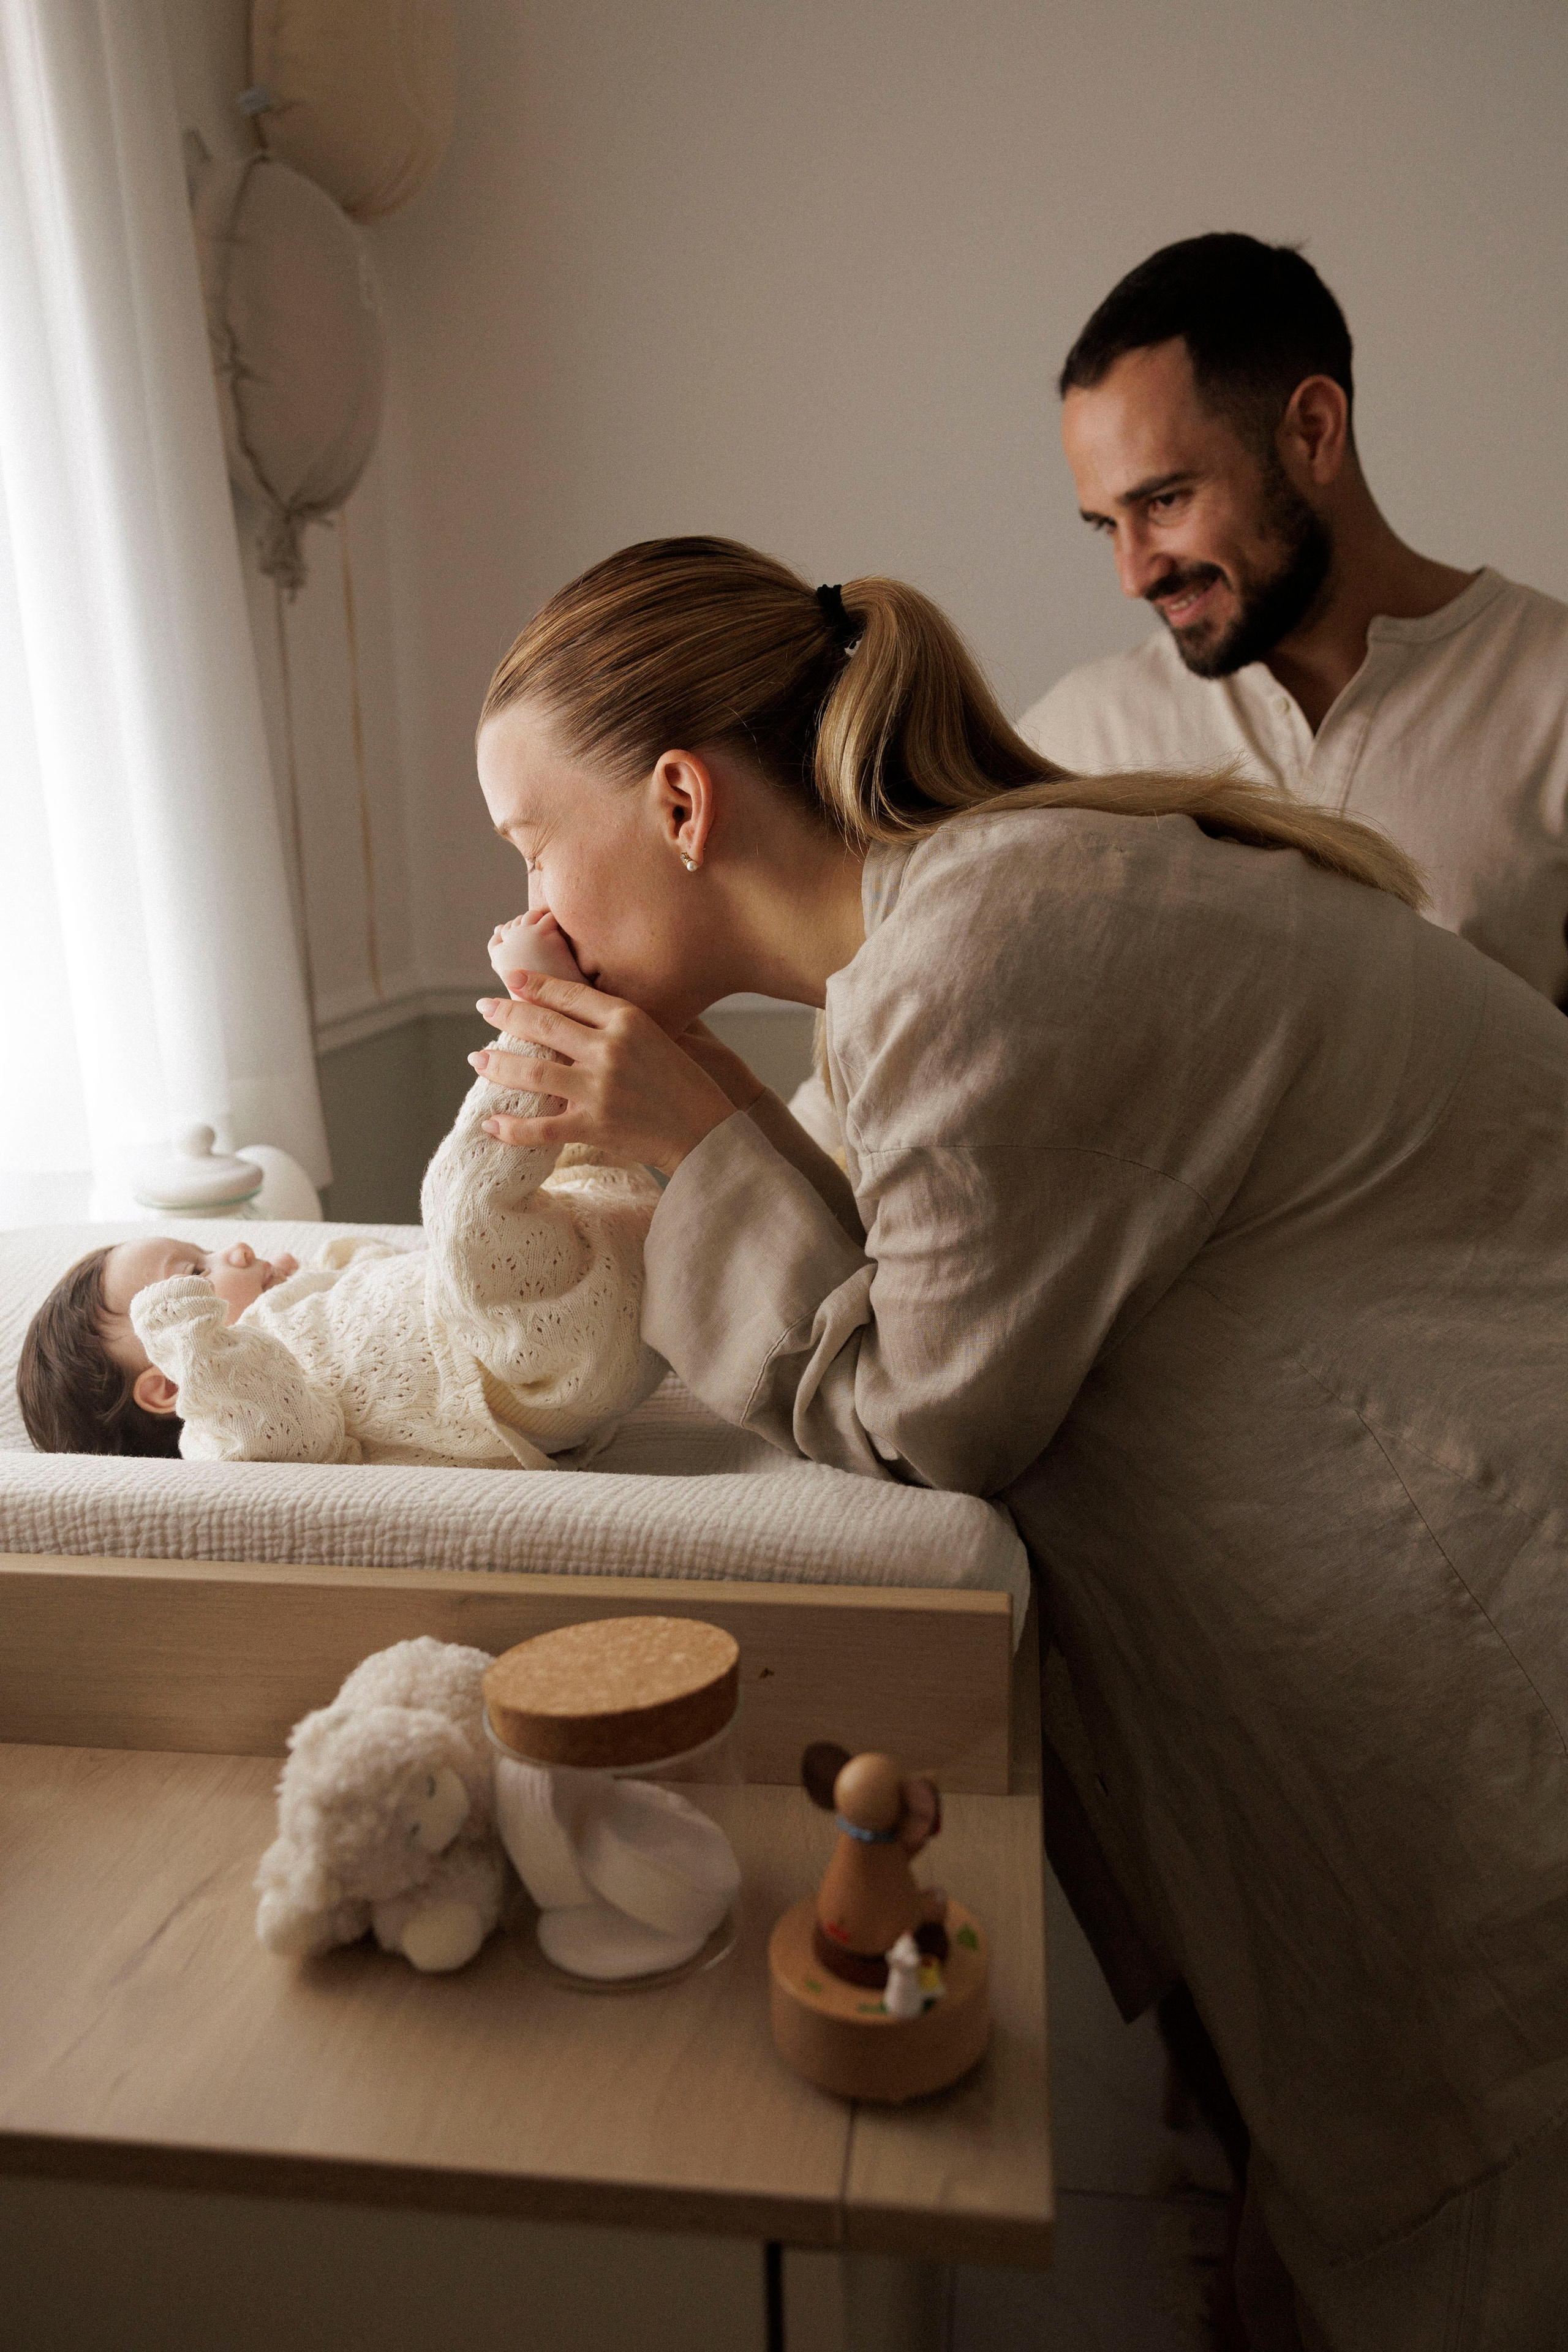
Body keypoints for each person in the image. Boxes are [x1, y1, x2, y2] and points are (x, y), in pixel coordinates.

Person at [464, 534, 1568, 2347]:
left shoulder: (978, 946)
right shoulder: (966, 919)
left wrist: (687, 1144)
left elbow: (924, 1414)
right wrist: (716, 1113)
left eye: (526, 845)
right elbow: (921, 1266)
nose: (526, 929)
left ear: (675, 798)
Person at [1020, 233, 1568, 1007]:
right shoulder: (1073, 744)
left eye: (1164, 501)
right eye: (1107, 523)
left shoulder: (1554, 697)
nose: (1133, 575)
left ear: (1313, 430)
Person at [17, 905, 664, 1466]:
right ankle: (547, 1009)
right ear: (170, 1384)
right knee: (460, 1202)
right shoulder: (221, 1431)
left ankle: (630, 1035)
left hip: (585, 1294)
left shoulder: (299, 1306)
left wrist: (321, 1275)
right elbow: (285, 1426)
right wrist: (197, 1344)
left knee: (576, 1153)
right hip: (527, 1363)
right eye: (195, 1274)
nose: (233, 1252)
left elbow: (391, 1287)